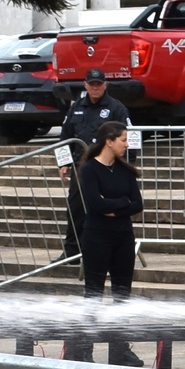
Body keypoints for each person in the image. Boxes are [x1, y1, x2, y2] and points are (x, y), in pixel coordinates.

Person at [58, 69, 122, 266]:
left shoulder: (116, 108)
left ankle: (111, 253)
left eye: (99, 84)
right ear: (85, 85)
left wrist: (127, 165)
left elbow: (129, 138)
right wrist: (63, 162)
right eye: (92, 84)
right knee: (75, 208)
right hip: (81, 166)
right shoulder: (76, 107)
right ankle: (71, 252)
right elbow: (65, 136)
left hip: (106, 167)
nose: (95, 88)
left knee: (106, 211)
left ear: (105, 85)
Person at [77, 119, 141, 301]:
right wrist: (123, 201)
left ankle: (118, 327)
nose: (127, 144)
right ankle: (91, 327)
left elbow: (137, 204)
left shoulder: (125, 170)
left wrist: (115, 207)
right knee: (94, 289)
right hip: (97, 236)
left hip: (123, 236)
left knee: (123, 289)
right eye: (123, 139)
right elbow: (96, 205)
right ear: (109, 141)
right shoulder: (90, 170)